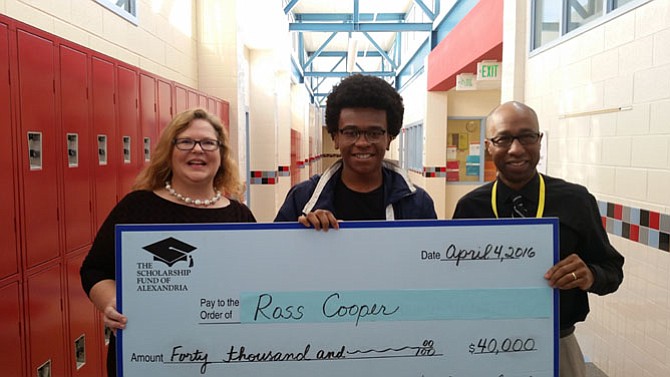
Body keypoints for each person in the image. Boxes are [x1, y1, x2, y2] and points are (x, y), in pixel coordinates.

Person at [452, 101, 624, 377]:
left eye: (527, 136)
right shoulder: (471, 208)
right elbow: (453, 281)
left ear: (540, 140)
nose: (516, 148)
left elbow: (613, 270)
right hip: (484, 344)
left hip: (559, 344)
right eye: (504, 138)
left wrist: (590, 275)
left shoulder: (576, 201)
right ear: (488, 146)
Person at [80, 108, 256, 376]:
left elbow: (257, 281)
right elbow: (95, 269)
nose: (198, 150)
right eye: (185, 142)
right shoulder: (137, 208)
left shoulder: (239, 215)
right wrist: (111, 301)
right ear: (169, 151)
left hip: (222, 355)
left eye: (209, 143)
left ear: (221, 154)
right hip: (149, 355)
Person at [275, 74, 437, 227]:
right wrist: (300, 235)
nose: (362, 142)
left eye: (374, 133)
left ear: (389, 138)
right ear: (335, 138)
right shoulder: (302, 200)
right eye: (351, 133)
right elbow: (274, 252)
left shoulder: (418, 204)